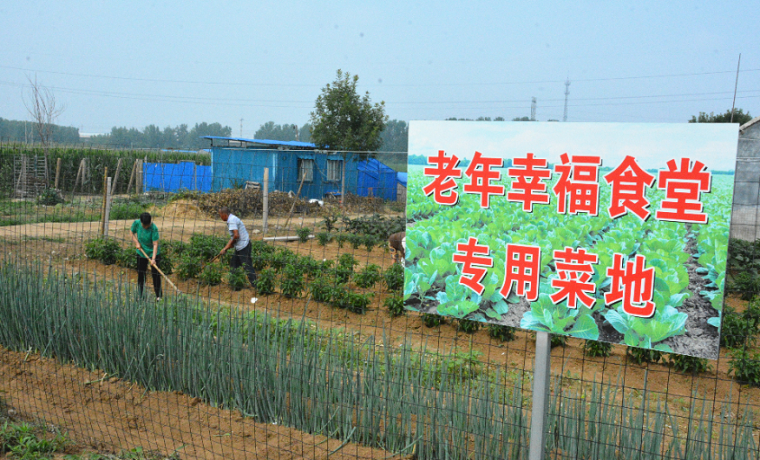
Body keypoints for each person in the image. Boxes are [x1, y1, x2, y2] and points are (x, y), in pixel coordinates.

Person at [218, 207, 257, 286]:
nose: (220, 217)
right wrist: (227, 247)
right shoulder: (232, 218)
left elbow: (236, 236)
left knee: (247, 266)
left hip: (243, 246)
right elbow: (234, 238)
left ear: (224, 214)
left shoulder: (231, 220)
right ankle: (234, 283)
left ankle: (256, 286)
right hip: (241, 246)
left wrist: (226, 248)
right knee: (234, 264)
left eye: (220, 215)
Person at [130, 212, 162, 300]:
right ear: (141, 222)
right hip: (141, 252)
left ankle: (159, 296)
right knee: (141, 274)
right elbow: (131, 232)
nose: (145, 227)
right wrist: (137, 242)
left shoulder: (154, 228)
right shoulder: (136, 223)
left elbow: (155, 244)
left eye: (147, 225)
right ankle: (140, 295)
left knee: (155, 275)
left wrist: (154, 259)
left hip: (153, 253)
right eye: (144, 225)